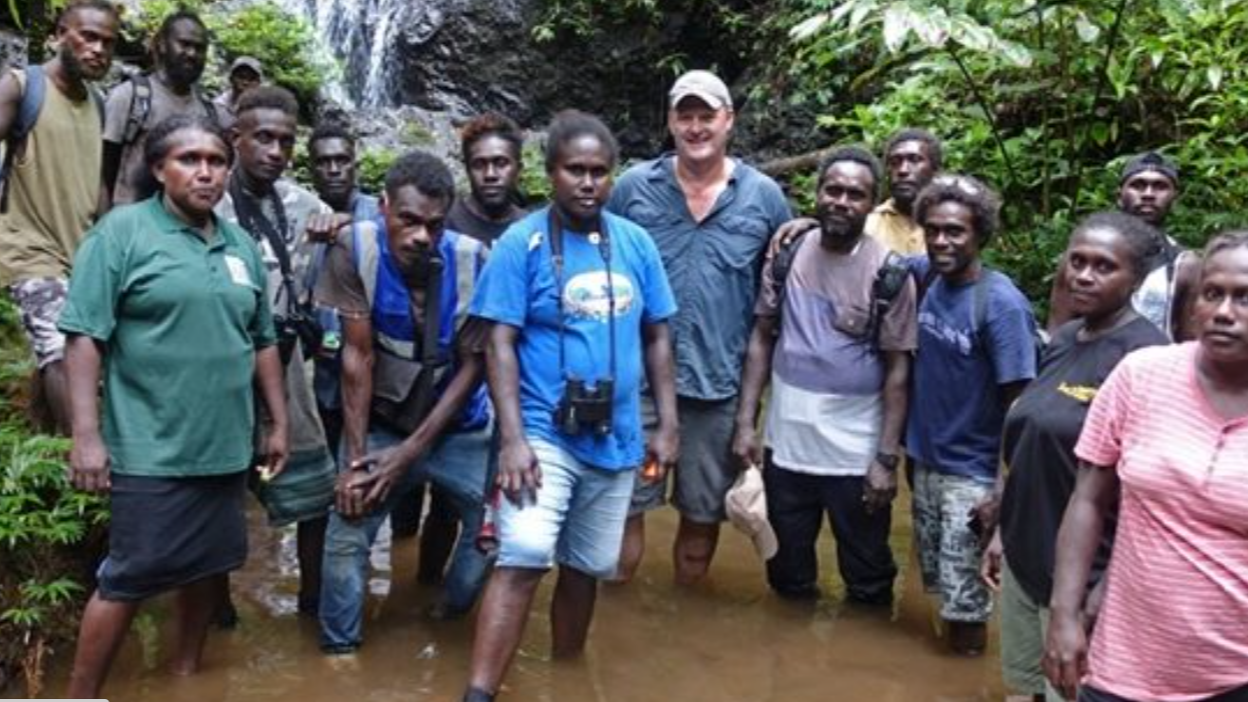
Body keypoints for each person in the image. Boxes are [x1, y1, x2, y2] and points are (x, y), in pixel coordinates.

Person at [60, 114, 288, 698]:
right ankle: (81, 694)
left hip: (225, 444)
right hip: (150, 446)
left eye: (215, 160)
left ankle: (185, 677)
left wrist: (277, 423)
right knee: (128, 578)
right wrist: (86, 435)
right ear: (160, 168)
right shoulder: (122, 233)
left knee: (207, 569)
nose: (205, 171)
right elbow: (85, 334)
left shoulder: (238, 244)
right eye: (189, 159)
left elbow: (261, 339)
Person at [461, 110, 680, 702]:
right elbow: (497, 342)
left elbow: (658, 334)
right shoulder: (521, 242)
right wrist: (512, 439)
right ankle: (479, 693)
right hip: (542, 432)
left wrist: (669, 425)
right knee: (525, 552)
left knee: (588, 565)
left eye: (599, 172)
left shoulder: (635, 243)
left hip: (617, 436)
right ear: (550, 173)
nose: (588, 182)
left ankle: (567, 676)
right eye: (575, 170)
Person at [1044, 231, 1248, 702]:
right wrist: (1064, 614)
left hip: (1235, 674)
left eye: (1244, 297)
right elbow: (1088, 498)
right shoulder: (1142, 375)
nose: (1223, 312)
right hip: (1123, 669)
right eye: (1212, 294)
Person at [608, 69, 791, 585]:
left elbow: (778, 298)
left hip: (717, 389)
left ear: (728, 120)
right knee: (624, 515)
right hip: (638, 384)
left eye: (705, 115)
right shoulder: (632, 190)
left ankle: (681, 629)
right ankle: (616, 637)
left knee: (700, 520)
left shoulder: (764, 197)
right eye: (683, 115)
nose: (694, 127)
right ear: (669, 121)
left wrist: (751, 416)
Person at [981, 212, 1167, 702]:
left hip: (1084, 579)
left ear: (1137, 279)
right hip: (1024, 556)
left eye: (1103, 266)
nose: (1083, 275)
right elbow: (1030, 443)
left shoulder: (1146, 359)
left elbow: (1150, 494)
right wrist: (1002, 528)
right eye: (1077, 261)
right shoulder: (1065, 338)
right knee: (1022, 689)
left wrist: (1103, 592)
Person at [314, 149, 494, 650]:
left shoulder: (473, 261)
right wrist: (355, 461)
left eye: (434, 226)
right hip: (383, 422)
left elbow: (473, 365)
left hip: (459, 426)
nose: (421, 237)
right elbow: (356, 358)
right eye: (409, 220)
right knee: (347, 526)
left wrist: (411, 453)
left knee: (495, 529)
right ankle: (338, 654)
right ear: (384, 206)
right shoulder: (355, 248)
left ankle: (449, 615)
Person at [732, 146, 915, 603]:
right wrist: (745, 424)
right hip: (786, 444)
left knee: (868, 574)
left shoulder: (890, 274)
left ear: (873, 204)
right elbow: (761, 339)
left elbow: (898, 372)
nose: (842, 201)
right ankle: (785, 664)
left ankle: (863, 664)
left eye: (856, 194)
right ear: (816, 194)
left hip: (855, 451)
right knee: (786, 570)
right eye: (833, 190)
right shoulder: (787, 255)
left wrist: (886, 460)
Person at [216, 86, 340, 618]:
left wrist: (340, 224)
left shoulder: (305, 205)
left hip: (287, 369)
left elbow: (355, 242)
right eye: (262, 138)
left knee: (317, 492)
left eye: (285, 141)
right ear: (235, 138)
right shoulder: (208, 195)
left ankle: (312, 605)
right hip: (217, 369)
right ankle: (216, 611)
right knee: (215, 500)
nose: (274, 150)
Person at [906, 174, 1038, 655]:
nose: (942, 240)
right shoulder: (925, 276)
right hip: (926, 464)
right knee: (943, 587)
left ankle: (963, 677)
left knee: (966, 604)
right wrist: (797, 228)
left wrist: (1003, 493)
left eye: (955, 231)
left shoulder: (1000, 305)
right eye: (934, 229)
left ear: (980, 234)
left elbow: (1021, 406)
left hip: (973, 475)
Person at [0, 0, 118, 434]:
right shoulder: (21, 86)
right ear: (57, 34)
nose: (98, 49)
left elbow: (98, 182)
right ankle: (84, 465)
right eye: (88, 36)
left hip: (81, 252)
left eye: (107, 41)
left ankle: (43, 444)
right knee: (62, 349)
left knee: (85, 352)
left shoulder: (99, 104)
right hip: (26, 244)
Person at [1047, 152, 1199, 341]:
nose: (1148, 194)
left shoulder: (1183, 265)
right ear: (1120, 195)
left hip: (1151, 366)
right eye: (1138, 185)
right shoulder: (1083, 258)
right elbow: (1057, 330)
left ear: (1174, 198)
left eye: (1159, 186)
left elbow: (1189, 344)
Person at [306, 120, 379, 458]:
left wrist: (348, 224)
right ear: (312, 168)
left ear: (355, 165)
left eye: (342, 160)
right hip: (321, 367)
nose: (334, 169)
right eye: (323, 162)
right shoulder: (299, 215)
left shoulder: (381, 213)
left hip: (374, 370)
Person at [102, 9, 218, 207]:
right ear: (163, 45)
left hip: (183, 228)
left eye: (199, 48)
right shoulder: (130, 96)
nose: (192, 54)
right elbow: (103, 170)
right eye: (184, 44)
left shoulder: (206, 111)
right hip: (131, 224)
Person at [771, 128, 942, 256]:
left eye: (914, 160)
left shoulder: (958, 224)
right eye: (895, 162)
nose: (903, 170)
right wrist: (810, 226)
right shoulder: (868, 222)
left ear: (935, 170)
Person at [447, 111, 527, 245]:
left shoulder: (533, 230)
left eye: (501, 163)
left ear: (518, 169)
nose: (490, 174)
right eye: (479, 164)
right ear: (467, 169)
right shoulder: (444, 223)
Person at [213, 56, 263, 131]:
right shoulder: (216, 106)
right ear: (231, 78)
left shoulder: (264, 109)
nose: (245, 82)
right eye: (241, 77)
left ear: (259, 83)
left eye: (252, 79)